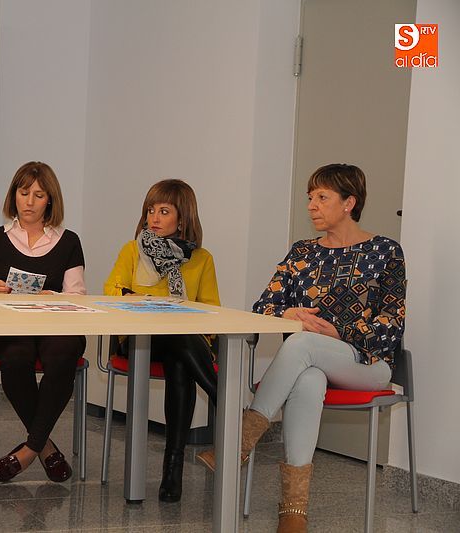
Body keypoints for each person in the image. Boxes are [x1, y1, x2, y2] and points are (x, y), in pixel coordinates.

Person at [196, 164, 406, 533]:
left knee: (304, 342)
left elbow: (392, 321)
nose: (311, 205)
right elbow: (263, 307)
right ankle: (294, 511)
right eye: (310, 197)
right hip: (310, 363)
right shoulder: (302, 252)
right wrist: (287, 312)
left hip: (368, 363)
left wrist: (340, 331)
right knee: (308, 378)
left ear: (349, 202)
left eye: (322, 197)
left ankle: (240, 439)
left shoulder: (385, 251)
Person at [0, 161, 86, 483]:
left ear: (50, 200)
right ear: (13, 195)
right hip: (8, 328)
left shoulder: (69, 241)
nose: (29, 202)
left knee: (63, 356)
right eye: (23, 193)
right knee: (16, 357)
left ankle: (29, 450)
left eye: (38, 195)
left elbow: (78, 296)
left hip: (54, 327)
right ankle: (45, 448)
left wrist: (54, 296)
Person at [103, 179, 219, 502]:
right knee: (178, 336)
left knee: (179, 358)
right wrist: (141, 300)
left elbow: (212, 311)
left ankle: (173, 467)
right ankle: (223, 398)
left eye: (164, 211)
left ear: (182, 219)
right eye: (150, 210)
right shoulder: (132, 250)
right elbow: (111, 291)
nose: (154, 218)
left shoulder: (201, 259)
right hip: (139, 340)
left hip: (181, 344)